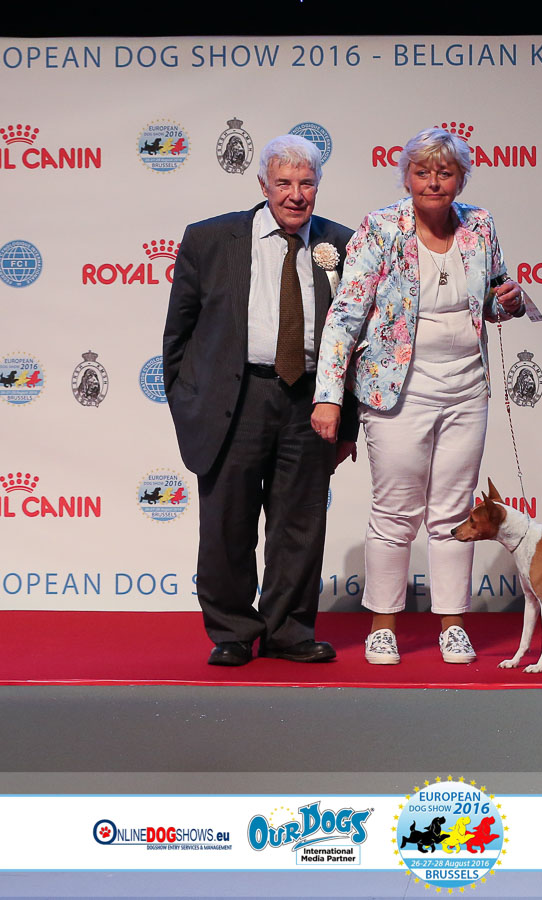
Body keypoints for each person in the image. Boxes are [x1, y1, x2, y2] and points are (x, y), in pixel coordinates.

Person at [312, 127, 525, 665]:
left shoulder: (481, 225)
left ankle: (452, 625)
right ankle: (383, 625)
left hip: (467, 390)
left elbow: (491, 299)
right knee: (395, 512)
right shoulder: (381, 227)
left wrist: (510, 301)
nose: (433, 182)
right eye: (422, 172)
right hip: (397, 392)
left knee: (454, 511)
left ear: (461, 180)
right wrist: (328, 395)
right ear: (406, 177)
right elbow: (345, 316)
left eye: (445, 173)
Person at [163, 134, 357, 667]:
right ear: (263, 185)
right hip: (235, 398)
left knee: (300, 525)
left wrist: (347, 423)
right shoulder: (209, 238)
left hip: (312, 402)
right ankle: (231, 630)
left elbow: (357, 342)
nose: (296, 194)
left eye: (306, 183)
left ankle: (288, 631)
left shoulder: (344, 243)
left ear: (318, 186)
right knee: (227, 522)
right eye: (284, 183)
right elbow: (178, 333)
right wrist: (188, 402)